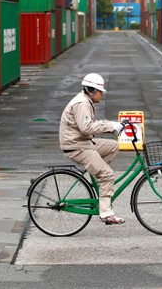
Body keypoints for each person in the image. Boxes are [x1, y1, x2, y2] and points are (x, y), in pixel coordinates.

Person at [59, 73, 126, 225]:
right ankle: (106, 213)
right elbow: (87, 127)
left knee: (113, 146)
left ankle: (98, 176)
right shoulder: (82, 103)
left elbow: (89, 125)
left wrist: (113, 125)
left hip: (83, 142)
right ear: (91, 91)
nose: (102, 95)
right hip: (76, 145)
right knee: (108, 175)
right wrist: (112, 126)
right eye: (100, 91)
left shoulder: (86, 101)